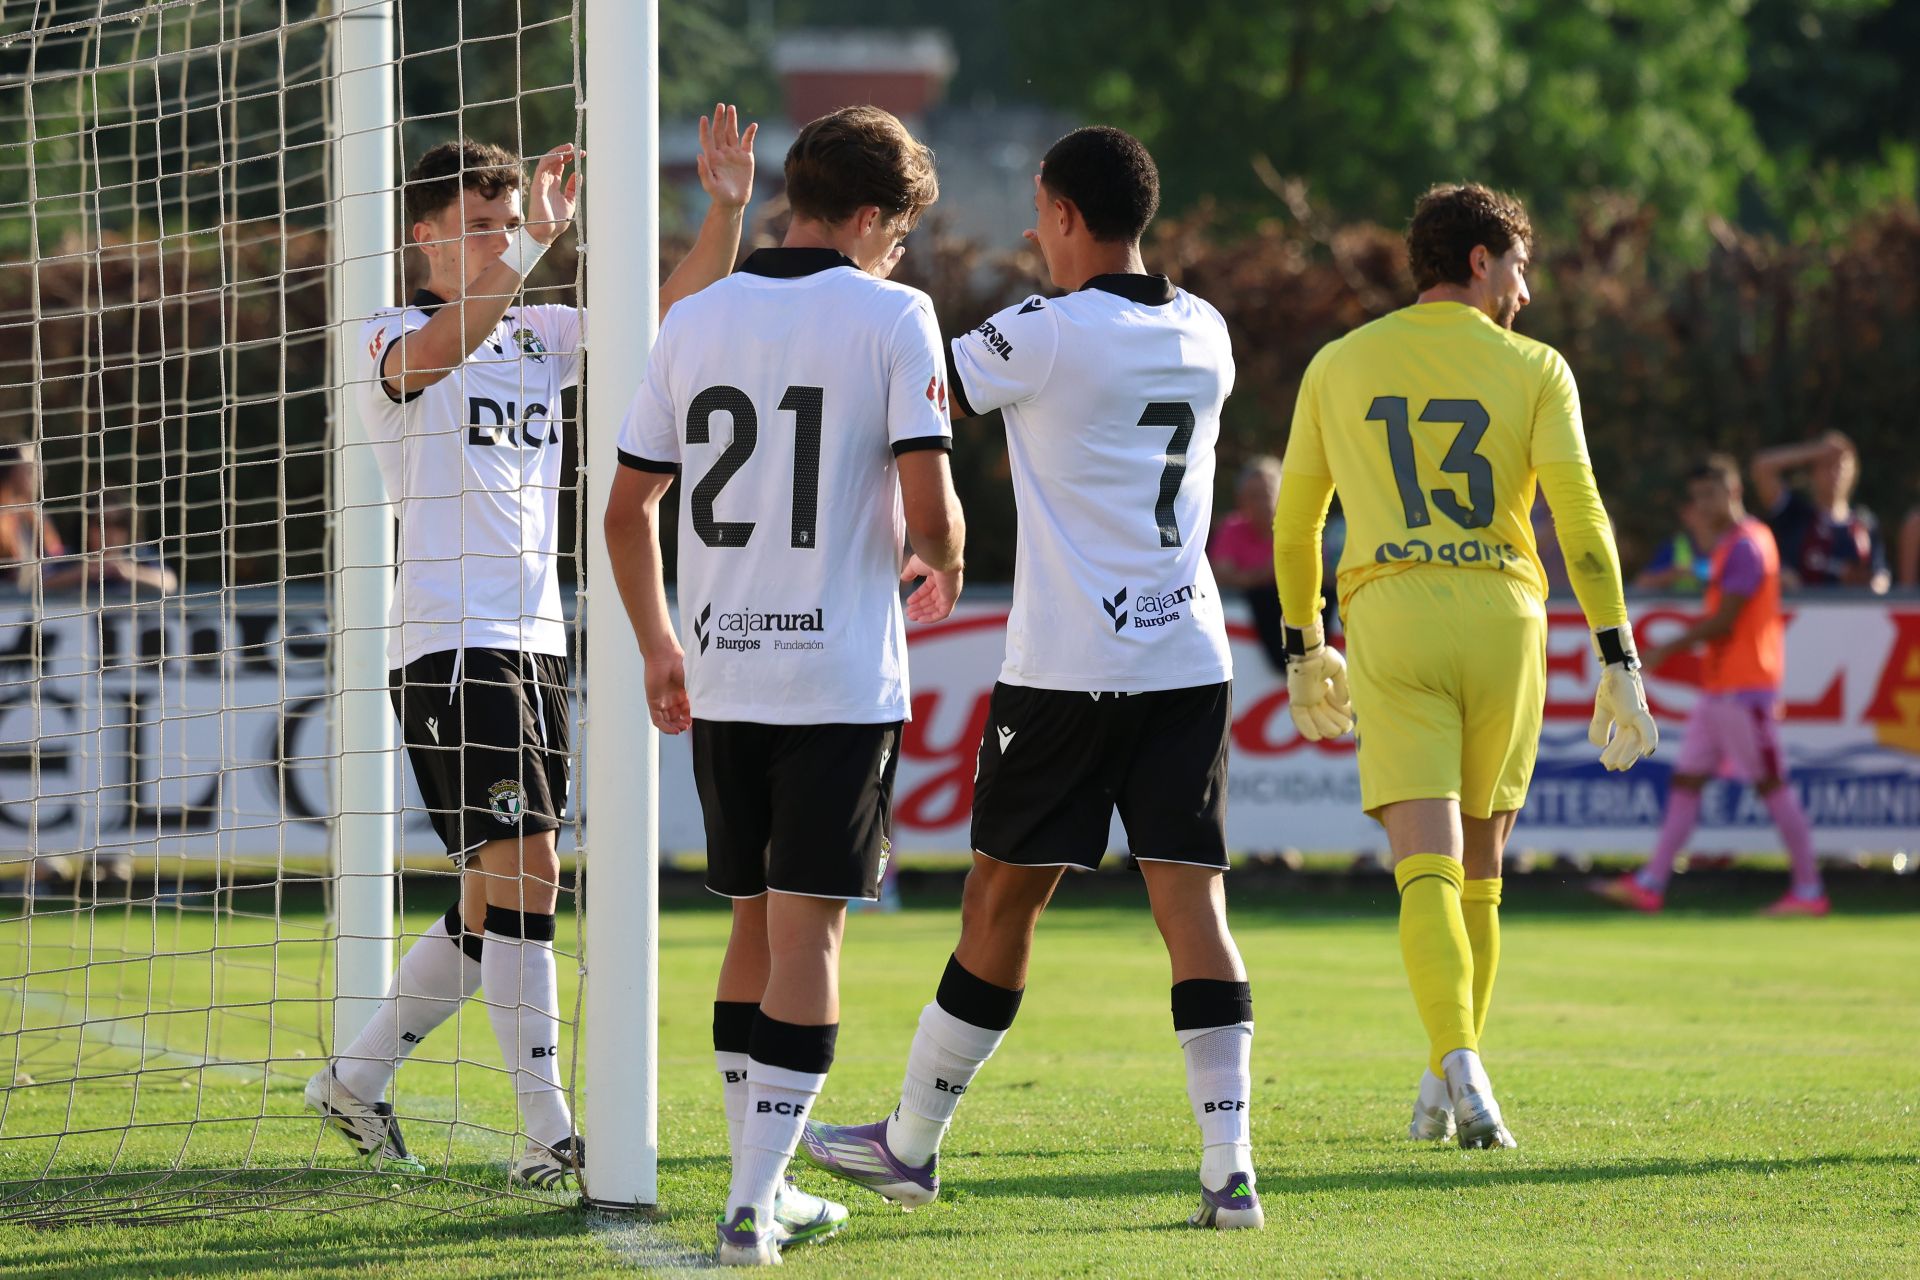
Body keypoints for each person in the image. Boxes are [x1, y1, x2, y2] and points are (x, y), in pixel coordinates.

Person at [799, 127, 1265, 1232]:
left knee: (1000, 899)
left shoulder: (1045, 332)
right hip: (1187, 656)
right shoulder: (1208, 328)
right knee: (1193, 903)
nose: (1028, 230)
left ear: (1062, 214)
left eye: (1038, 209)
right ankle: (1229, 1166)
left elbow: (919, 394)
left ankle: (909, 1143)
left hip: (1067, 667)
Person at [306, 106, 758, 1191]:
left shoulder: (537, 334)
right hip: (451, 643)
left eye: (510, 219)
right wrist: (532, 253)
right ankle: (552, 1129)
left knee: (490, 898)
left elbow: (669, 320)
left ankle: (354, 1080)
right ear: (424, 234)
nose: (501, 237)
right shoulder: (383, 336)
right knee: (533, 870)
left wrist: (727, 211)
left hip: (536, 640)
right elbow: (448, 338)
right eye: (478, 223)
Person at [603, 104, 962, 1266]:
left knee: (754, 926)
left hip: (721, 672)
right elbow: (932, 512)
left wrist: (660, 642)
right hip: (836, 679)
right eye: (897, 230)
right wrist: (943, 555)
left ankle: (761, 1181)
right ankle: (755, 1201)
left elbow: (626, 511)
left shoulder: (693, 317)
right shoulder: (896, 312)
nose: (898, 252)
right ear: (869, 218)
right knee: (811, 935)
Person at [1270, 183, 1657, 1150]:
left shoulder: (1340, 361)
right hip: (1505, 615)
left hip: (1391, 611)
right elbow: (1583, 526)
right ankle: (1453, 1072)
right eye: (1519, 267)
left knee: (1426, 870)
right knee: (1480, 874)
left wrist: (1303, 640)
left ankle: (1455, 1065)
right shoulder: (1537, 368)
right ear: (1480, 260)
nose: (1525, 291)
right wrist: (1620, 655)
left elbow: (1296, 521)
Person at [1594, 456, 1828, 917]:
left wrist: (1667, 648)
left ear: (1734, 490)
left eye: (1711, 493)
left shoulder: (1746, 544)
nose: (1704, 504)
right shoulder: (1731, 545)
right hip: (1721, 690)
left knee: (1771, 784)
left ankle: (1808, 890)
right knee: (1686, 781)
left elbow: (1725, 621)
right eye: (1698, 497)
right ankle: (1652, 882)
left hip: (1744, 690)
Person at [1750, 432, 1890, 592]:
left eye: (1841, 465)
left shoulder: (1865, 524)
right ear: (1812, 473)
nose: (1835, 474)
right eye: (1826, 465)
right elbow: (1762, 467)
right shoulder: (1795, 513)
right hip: (1802, 612)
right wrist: (1815, 450)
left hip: (1852, 613)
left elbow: (1881, 575)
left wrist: (1875, 586)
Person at [1209, 457, 1286, 671]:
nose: (1263, 502)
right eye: (1254, 496)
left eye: (1268, 493)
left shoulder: (1300, 529)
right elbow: (1221, 574)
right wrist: (1266, 574)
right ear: (1241, 500)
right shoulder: (1232, 528)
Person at [0, 443, 67, 588]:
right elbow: (24, 586)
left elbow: (56, 560)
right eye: (30, 468)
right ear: (9, 471)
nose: (41, 473)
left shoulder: (34, 516)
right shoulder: (4, 525)